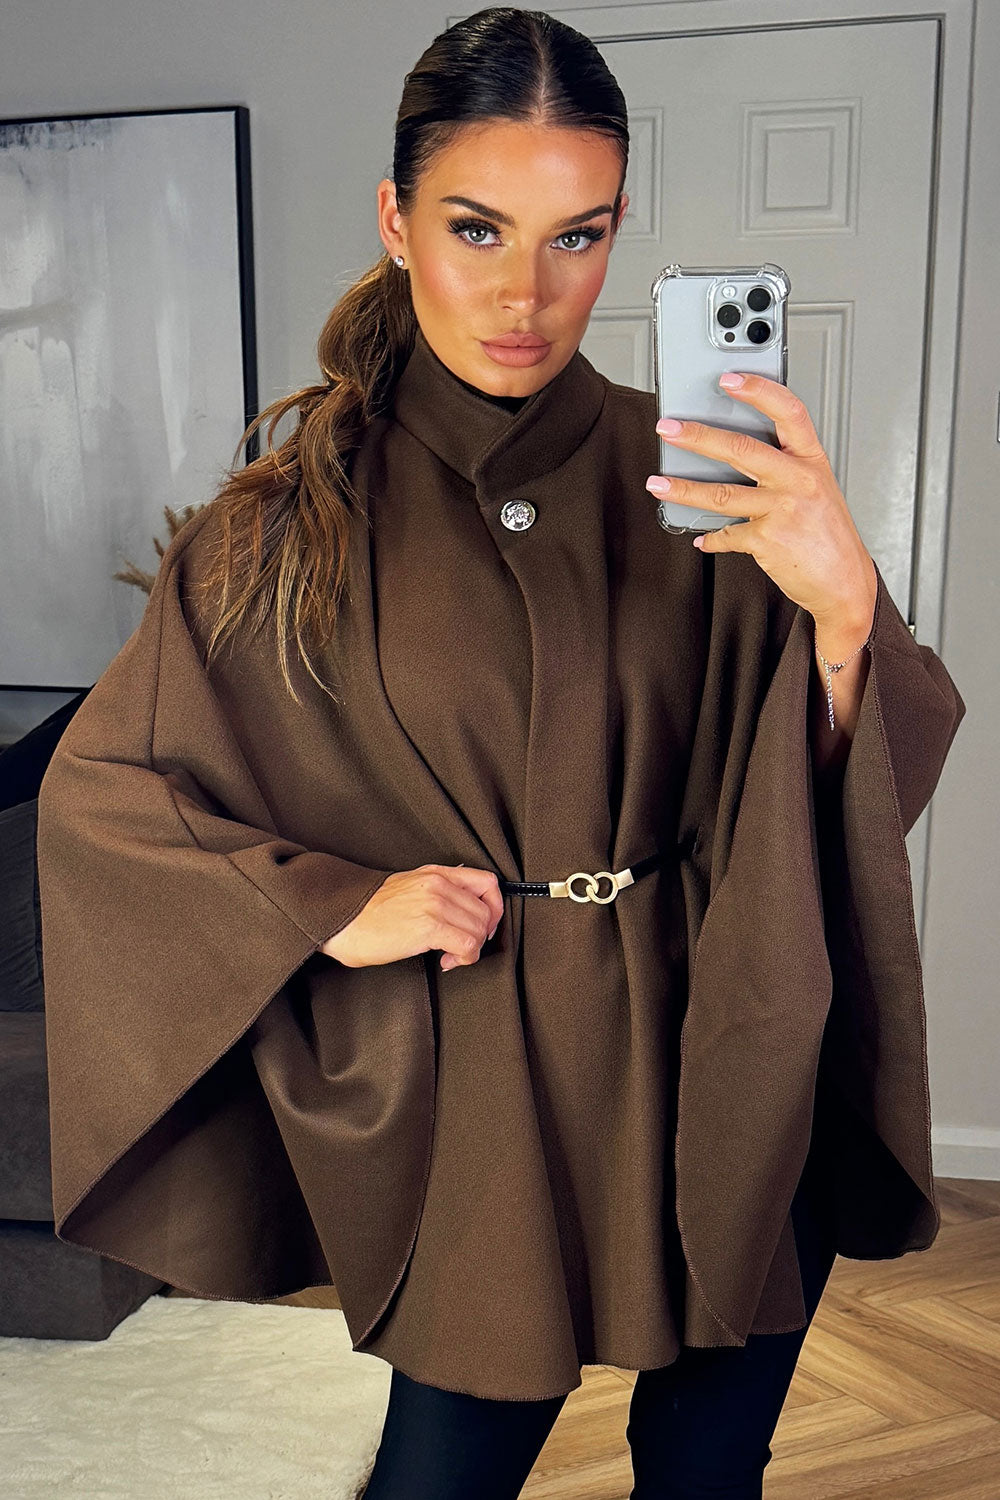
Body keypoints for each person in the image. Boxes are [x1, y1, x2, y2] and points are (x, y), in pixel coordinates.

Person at [35, 8, 966, 1499]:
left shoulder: (718, 489)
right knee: (442, 1478)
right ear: (395, 220)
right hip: (481, 1089)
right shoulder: (280, 528)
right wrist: (329, 904)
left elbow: (850, 790)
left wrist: (846, 612)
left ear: (616, 235)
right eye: (478, 228)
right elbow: (104, 801)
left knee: (711, 1470)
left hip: (722, 1051)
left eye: (576, 236)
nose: (527, 294)